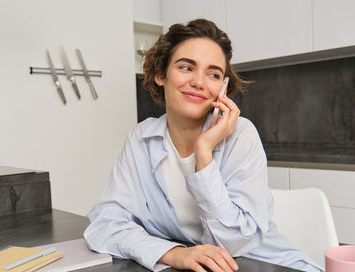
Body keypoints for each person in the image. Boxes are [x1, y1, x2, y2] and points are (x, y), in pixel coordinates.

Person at [83, 19, 322, 272]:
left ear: (223, 88)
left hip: (269, 265)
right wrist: (172, 254)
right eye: (186, 67)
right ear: (160, 74)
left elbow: (233, 243)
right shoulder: (141, 139)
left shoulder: (241, 135)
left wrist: (204, 152)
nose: (199, 82)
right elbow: (104, 224)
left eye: (213, 74)